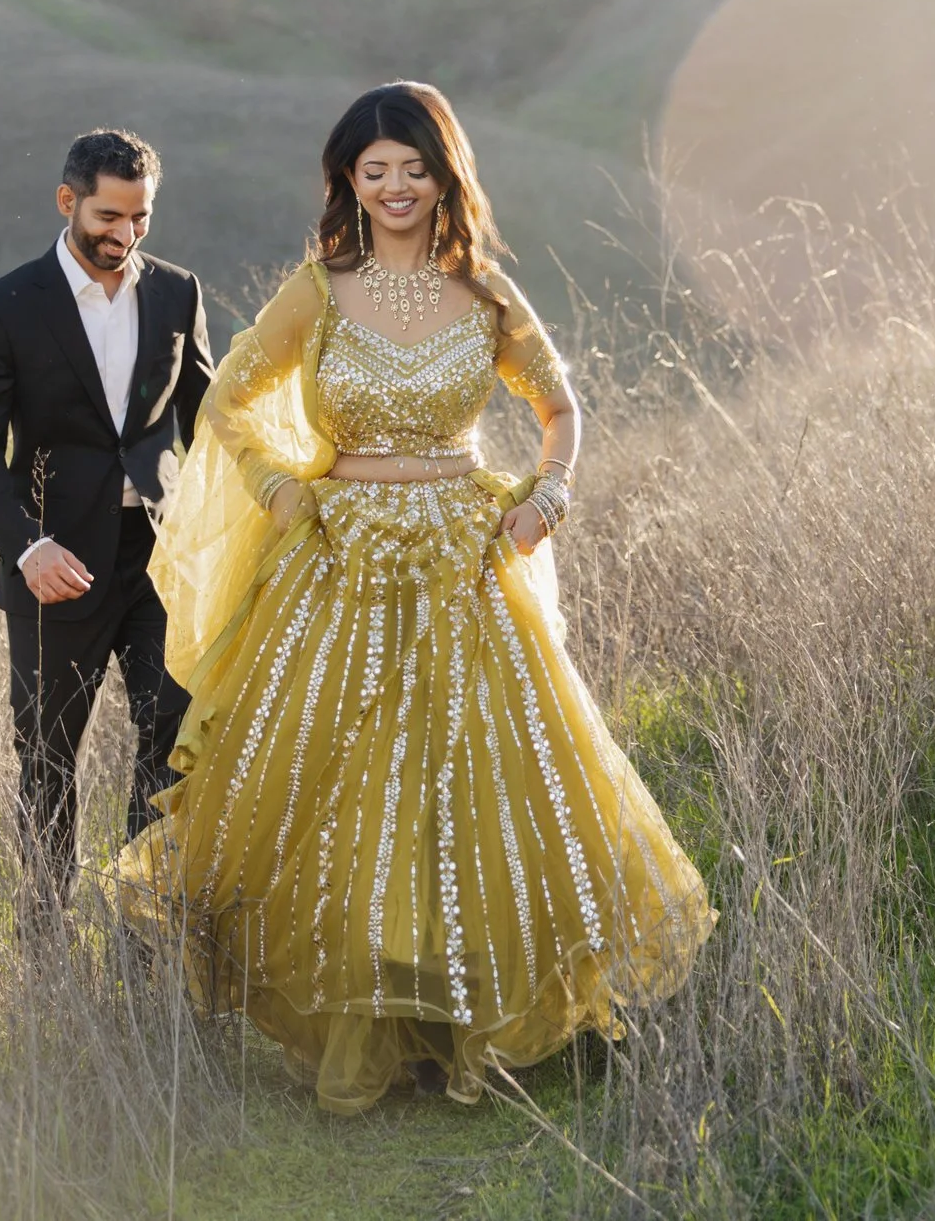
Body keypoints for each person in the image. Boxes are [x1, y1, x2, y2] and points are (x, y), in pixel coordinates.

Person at [116, 82, 715, 1113]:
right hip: (338, 560)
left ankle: (467, 1014)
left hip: (463, 556)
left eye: (413, 168)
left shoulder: (483, 293)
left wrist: (550, 490)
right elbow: (226, 398)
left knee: (472, 779)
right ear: (348, 181)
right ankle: (362, 1014)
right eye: (373, 170)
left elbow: (559, 403)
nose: (394, 188)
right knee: (338, 780)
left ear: (446, 177)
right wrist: (276, 485)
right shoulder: (319, 286)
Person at [0, 129, 214, 918]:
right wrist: (26, 546)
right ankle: (46, 934)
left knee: (170, 734)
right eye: (108, 215)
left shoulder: (178, 291)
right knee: (47, 759)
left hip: (158, 560)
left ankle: (144, 920)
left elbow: (206, 426)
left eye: (140, 218)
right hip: (53, 565)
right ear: (68, 202)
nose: (125, 235)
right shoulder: (1, 307)